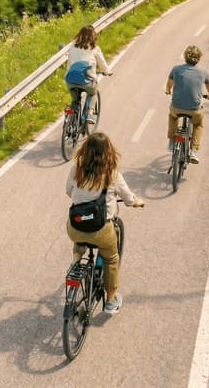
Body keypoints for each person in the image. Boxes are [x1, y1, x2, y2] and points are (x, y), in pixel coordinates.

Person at [64, 132, 144, 315]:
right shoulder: (112, 175)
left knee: (81, 234)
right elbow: (128, 198)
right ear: (108, 152)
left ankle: (76, 261)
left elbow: (68, 191)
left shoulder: (76, 169)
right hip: (102, 229)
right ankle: (110, 301)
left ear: (85, 150)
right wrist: (136, 202)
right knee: (112, 258)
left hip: (75, 227)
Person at [165, 45, 209, 164]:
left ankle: (172, 141)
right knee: (198, 124)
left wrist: (168, 91)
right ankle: (193, 151)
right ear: (198, 58)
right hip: (194, 109)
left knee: (173, 117)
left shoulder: (176, 69)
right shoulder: (204, 72)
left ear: (185, 56)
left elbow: (169, 85)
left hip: (177, 107)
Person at [63, 25, 112, 125]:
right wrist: (107, 71)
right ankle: (90, 114)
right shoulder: (94, 48)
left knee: (75, 100)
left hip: (70, 80)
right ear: (93, 36)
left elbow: (69, 63)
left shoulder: (72, 46)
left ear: (80, 34)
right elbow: (102, 64)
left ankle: (69, 118)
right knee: (93, 93)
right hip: (87, 82)